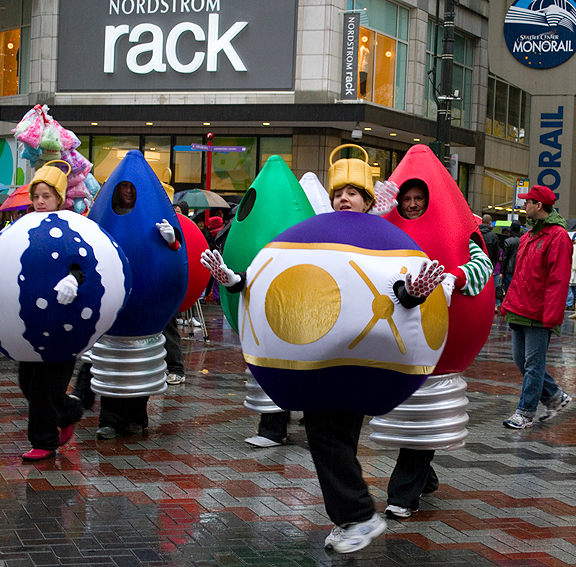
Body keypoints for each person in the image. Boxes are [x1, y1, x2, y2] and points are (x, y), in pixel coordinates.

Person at [201, 169, 446, 554]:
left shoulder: (380, 239)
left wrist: (411, 295)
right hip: (323, 360)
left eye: (353, 192)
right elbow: (280, 278)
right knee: (337, 441)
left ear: (367, 200)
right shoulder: (319, 230)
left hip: (360, 361)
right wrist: (235, 281)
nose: (344, 199)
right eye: (339, 193)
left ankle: (359, 516)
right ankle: (350, 519)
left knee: (327, 439)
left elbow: (392, 283)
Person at [0, 162, 84, 462]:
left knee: (45, 387)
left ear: (59, 197)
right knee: (28, 382)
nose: (39, 201)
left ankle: (45, 442)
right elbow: (2, 265)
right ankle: (69, 410)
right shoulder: (23, 227)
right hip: (32, 323)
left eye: (46, 195)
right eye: (36, 195)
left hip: (64, 323)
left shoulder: (75, 227)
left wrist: (75, 278)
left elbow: (87, 263)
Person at [384, 179, 492, 520]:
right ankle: (424, 478)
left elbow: (482, 265)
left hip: (439, 343)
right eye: (408, 198)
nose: (413, 204)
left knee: (423, 413)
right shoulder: (390, 228)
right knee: (409, 415)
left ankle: (403, 494)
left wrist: (453, 277)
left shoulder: (466, 232)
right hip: (396, 338)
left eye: (420, 199)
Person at [96, 180, 182, 439]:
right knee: (114, 360)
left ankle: (136, 416)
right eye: (125, 186)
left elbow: (179, 254)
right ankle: (110, 419)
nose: (130, 191)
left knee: (140, 359)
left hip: (147, 296)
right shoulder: (106, 214)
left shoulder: (155, 214)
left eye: (134, 187)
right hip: (115, 295)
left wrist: (172, 241)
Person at [499, 185, 573, 429]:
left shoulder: (557, 236)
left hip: (538, 313)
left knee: (533, 364)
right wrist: (508, 304)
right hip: (520, 309)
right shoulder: (529, 236)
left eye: (527, 201)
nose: (524, 205)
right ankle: (555, 396)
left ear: (539, 205)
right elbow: (519, 274)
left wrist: (551, 316)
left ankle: (525, 412)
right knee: (522, 362)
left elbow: (558, 279)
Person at [501, 221, 521, 296]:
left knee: (508, 290)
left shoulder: (507, 241)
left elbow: (505, 257)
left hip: (508, 269)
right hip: (519, 268)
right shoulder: (523, 240)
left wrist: (501, 271)